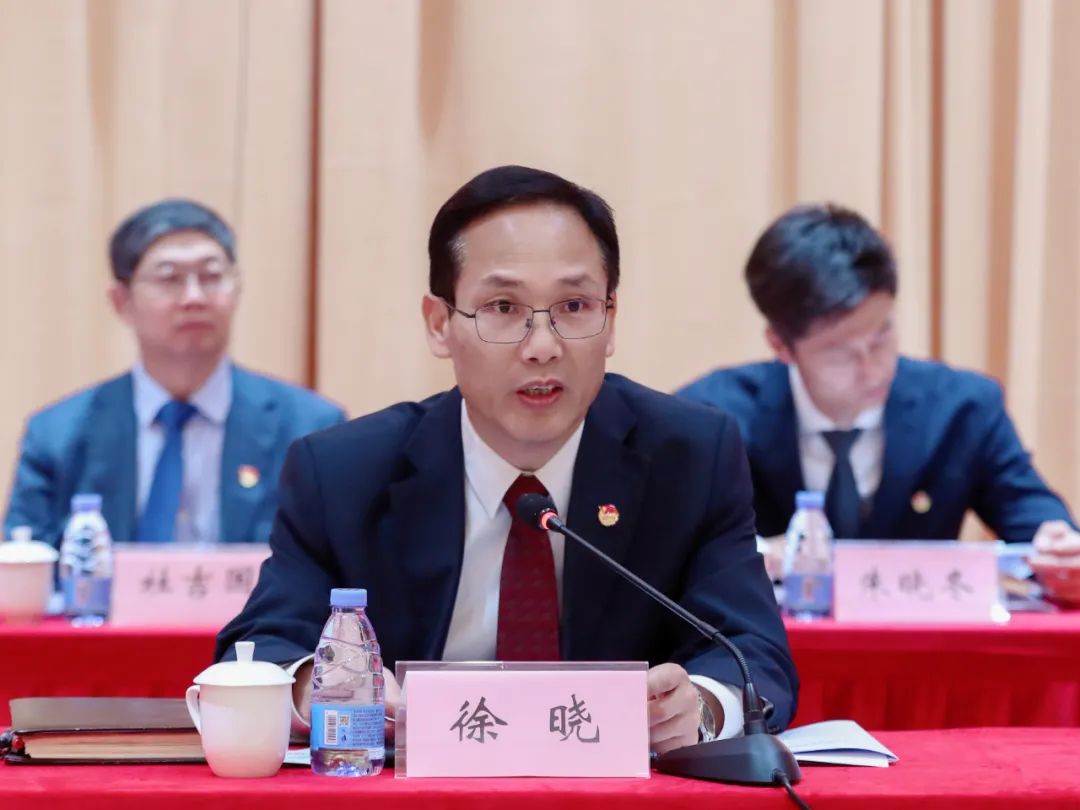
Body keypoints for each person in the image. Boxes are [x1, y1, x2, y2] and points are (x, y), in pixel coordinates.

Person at [216, 166, 797, 753]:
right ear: (439, 325)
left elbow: (752, 652)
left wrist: (702, 706)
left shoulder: (689, 458)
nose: (542, 346)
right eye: (502, 307)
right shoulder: (343, 473)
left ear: (610, 320)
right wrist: (321, 685)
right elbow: (262, 648)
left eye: (574, 305)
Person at [678, 203, 1080, 562]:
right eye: (841, 354)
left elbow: (1032, 515)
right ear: (781, 346)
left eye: (881, 336)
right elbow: (671, 547)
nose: (872, 369)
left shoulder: (962, 407)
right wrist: (755, 556)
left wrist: (1055, 541)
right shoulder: (713, 419)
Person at [4, 199, 345, 546]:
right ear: (122, 301)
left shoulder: (310, 430)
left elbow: (340, 558)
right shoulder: (58, 436)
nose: (194, 297)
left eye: (212, 277)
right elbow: (24, 564)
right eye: (169, 279)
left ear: (237, 289)